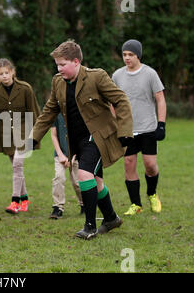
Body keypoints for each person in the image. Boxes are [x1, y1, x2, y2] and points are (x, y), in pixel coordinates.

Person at [30, 40, 133, 239]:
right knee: (97, 182)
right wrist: (34, 137)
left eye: (62, 64)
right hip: (76, 141)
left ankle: (90, 226)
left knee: (84, 175)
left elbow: (120, 99)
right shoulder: (58, 82)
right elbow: (49, 111)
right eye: (57, 65)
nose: (58, 69)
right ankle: (111, 218)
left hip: (98, 138)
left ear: (76, 61)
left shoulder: (97, 77)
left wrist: (125, 131)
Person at [112, 39, 166, 215]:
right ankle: (136, 205)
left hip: (148, 128)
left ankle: (152, 193)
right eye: (124, 55)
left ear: (138, 55)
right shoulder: (117, 76)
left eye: (130, 55)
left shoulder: (150, 74)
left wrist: (162, 124)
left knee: (150, 165)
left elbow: (160, 99)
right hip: (127, 129)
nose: (127, 58)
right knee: (129, 163)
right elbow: (112, 102)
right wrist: (114, 123)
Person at [0, 58, 41, 214]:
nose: (4, 76)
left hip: (24, 131)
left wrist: (36, 135)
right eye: (1, 73)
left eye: (7, 72)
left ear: (13, 72)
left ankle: (14, 202)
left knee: (18, 164)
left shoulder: (25, 88)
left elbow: (34, 111)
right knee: (16, 168)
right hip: (6, 134)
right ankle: (24, 199)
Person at [49, 114, 83, 219]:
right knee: (59, 177)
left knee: (77, 183)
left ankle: (84, 204)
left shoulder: (77, 112)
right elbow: (53, 135)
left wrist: (73, 156)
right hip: (60, 154)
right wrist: (60, 155)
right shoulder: (56, 113)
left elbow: (81, 136)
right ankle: (57, 208)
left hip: (77, 154)